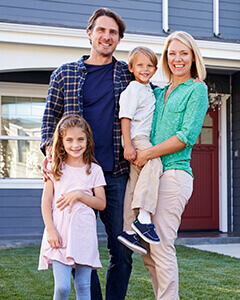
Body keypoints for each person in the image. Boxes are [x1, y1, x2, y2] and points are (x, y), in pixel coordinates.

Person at [40, 8, 133, 300]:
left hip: (115, 174)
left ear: (119, 39)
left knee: (121, 248)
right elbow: (48, 122)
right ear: (89, 33)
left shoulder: (127, 74)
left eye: (113, 33)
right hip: (75, 173)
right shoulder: (64, 73)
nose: (107, 36)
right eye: (102, 30)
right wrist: (50, 155)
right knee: (80, 250)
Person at [133, 31, 209, 299]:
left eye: (184, 53)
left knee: (162, 245)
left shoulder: (197, 89)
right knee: (148, 249)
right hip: (152, 175)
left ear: (192, 57)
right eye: (172, 53)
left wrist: (148, 154)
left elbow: (186, 136)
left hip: (174, 173)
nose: (177, 59)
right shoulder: (159, 91)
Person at [38, 115, 106, 300]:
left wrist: (80, 195)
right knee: (62, 288)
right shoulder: (55, 168)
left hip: (84, 234)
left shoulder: (94, 170)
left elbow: (101, 203)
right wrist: (50, 230)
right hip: (60, 233)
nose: (75, 145)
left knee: (84, 286)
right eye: (69, 140)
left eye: (80, 139)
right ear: (61, 142)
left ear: (87, 141)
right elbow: (46, 202)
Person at [117, 47, 163, 256]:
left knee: (134, 183)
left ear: (154, 68)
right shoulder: (133, 89)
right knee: (155, 163)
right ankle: (144, 218)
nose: (145, 69)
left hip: (140, 139)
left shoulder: (149, 89)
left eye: (149, 66)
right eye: (140, 65)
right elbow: (125, 118)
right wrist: (128, 145)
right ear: (131, 68)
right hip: (137, 138)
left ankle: (128, 230)